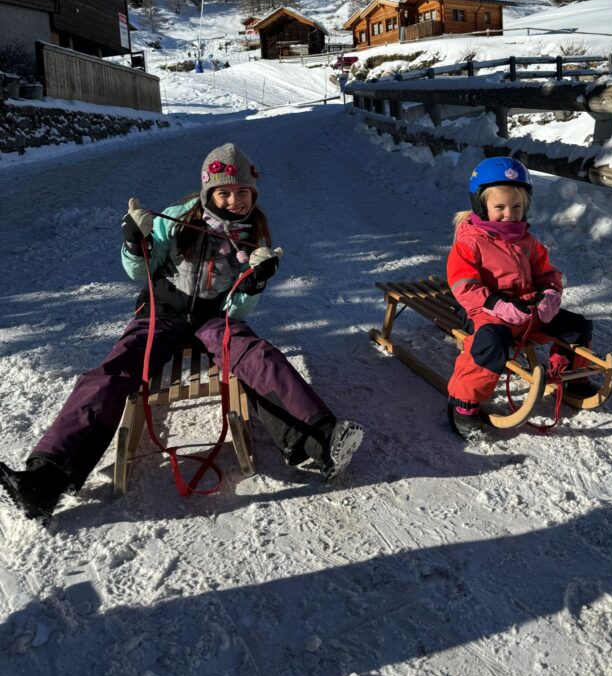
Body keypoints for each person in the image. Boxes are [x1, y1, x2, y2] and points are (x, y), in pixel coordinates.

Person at [0, 142, 363, 519]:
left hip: (213, 318)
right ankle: (47, 478)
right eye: (224, 192)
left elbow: (238, 310)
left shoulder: (255, 234)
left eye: (242, 192)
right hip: (162, 313)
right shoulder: (173, 218)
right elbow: (140, 272)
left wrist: (254, 283)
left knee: (258, 355)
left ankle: (322, 440)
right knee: (109, 374)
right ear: (209, 192)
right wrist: (132, 242)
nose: (234, 200)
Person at [446, 157, 597, 440]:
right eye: (500, 207)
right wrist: (497, 304)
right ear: (481, 205)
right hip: (485, 312)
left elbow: (547, 273)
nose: (509, 214)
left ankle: (570, 376)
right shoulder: (470, 242)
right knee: (491, 343)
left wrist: (550, 294)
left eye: (517, 207)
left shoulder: (527, 240)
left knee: (578, 326)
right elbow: (464, 285)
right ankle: (463, 403)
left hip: (528, 311)